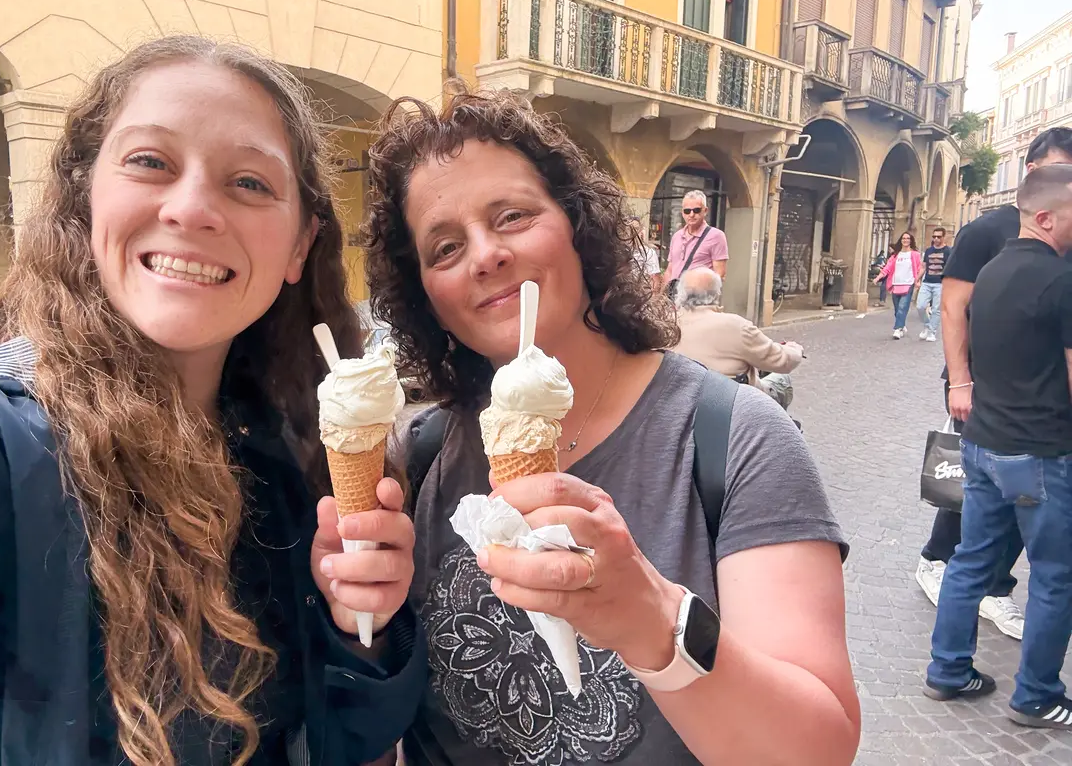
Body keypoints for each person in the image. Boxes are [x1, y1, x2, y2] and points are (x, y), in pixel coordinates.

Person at [0, 36, 424, 765]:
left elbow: (339, 740)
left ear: (300, 246)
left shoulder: (279, 458)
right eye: (150, 162)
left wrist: (363, 625)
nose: (192, 208)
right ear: (83, 196)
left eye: (251, 183)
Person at [363, 91, 858, 765]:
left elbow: (816, 750)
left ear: (578, 227)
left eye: (511, 216)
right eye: (445, 248)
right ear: (429, 298)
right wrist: (353, 622)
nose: (485, 254)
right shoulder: (423, 455)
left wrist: (653, 619)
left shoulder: (734, 438)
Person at [924, 164, 1072, 728]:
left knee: (970, 559)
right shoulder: (1061, 282)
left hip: (984, 443)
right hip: (1042, 451)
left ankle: (948, 671)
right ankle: (1036, 694)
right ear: (1044, 216)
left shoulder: (990, 274)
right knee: (1056, 576)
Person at [672, 267, 804, 410]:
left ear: (680, 294)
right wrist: (795, 349)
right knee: (783, 380)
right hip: (734, 406)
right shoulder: (735, 326)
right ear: (717, 294)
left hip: (683, 403)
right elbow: (782, 360)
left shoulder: (666, 325)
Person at [660, 190, 729, 296]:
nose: (691, 215)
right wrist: (662, 295)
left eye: (696, 210)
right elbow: (670, 269)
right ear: (682, 212)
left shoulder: (716, 236)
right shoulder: (677, 236)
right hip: (674, 299)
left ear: (705, 211)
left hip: (697, 300)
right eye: (687, 211)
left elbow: (720, 275)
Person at [873, 231, 923, 339]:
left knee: (902, 307)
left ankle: (897, 329)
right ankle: (902, 325)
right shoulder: (895, 255)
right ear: (901, 240)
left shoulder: (915, 254)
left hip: (908, 283)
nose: (905, 240)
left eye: (907, 238)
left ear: (911, 241)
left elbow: (919, 268)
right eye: (903, 238)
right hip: (896, 283)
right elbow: (887, 268)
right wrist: (878, 278)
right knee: (897, 310)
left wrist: (917, 281)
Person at [916, 227, 950, 342]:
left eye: (939, 237)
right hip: (927, 282)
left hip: (940, 284)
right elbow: (923, 266)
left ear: (943, 237)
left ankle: (932, 332)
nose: (936, 239)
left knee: (936, 309)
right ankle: (927, 325)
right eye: (934, 236)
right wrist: (917, 278)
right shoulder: (928, 251)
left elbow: (950, 268)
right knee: (920, 306)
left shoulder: (948, 251)